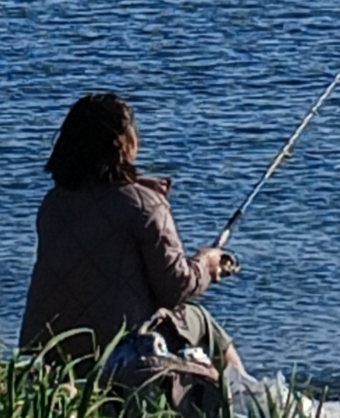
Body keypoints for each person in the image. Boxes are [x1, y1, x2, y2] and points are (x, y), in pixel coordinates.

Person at [20, 92, 245, 371]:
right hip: (120, 346)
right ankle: (246, 400)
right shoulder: (144, 204)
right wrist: (208, 264)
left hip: (53, 347)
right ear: (123, 143)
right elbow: (176, 287)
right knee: (203, 323)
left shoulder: (54, 203)